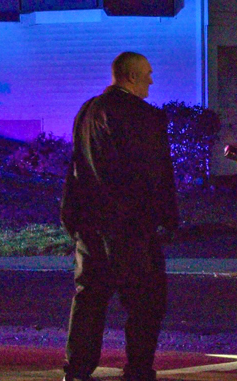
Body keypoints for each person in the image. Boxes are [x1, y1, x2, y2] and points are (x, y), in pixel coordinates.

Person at [59, 51, 179, 381]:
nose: (151, 81)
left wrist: (71, 216)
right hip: (130, 226)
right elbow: (155, 173)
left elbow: (76, 166)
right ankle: (138, 369)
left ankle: (78, 369)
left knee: (89, 297)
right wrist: (166, 219)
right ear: (130, 77)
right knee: (145, 301)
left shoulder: (88, 111)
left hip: (90, 224)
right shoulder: (145, 116)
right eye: (147, 74)